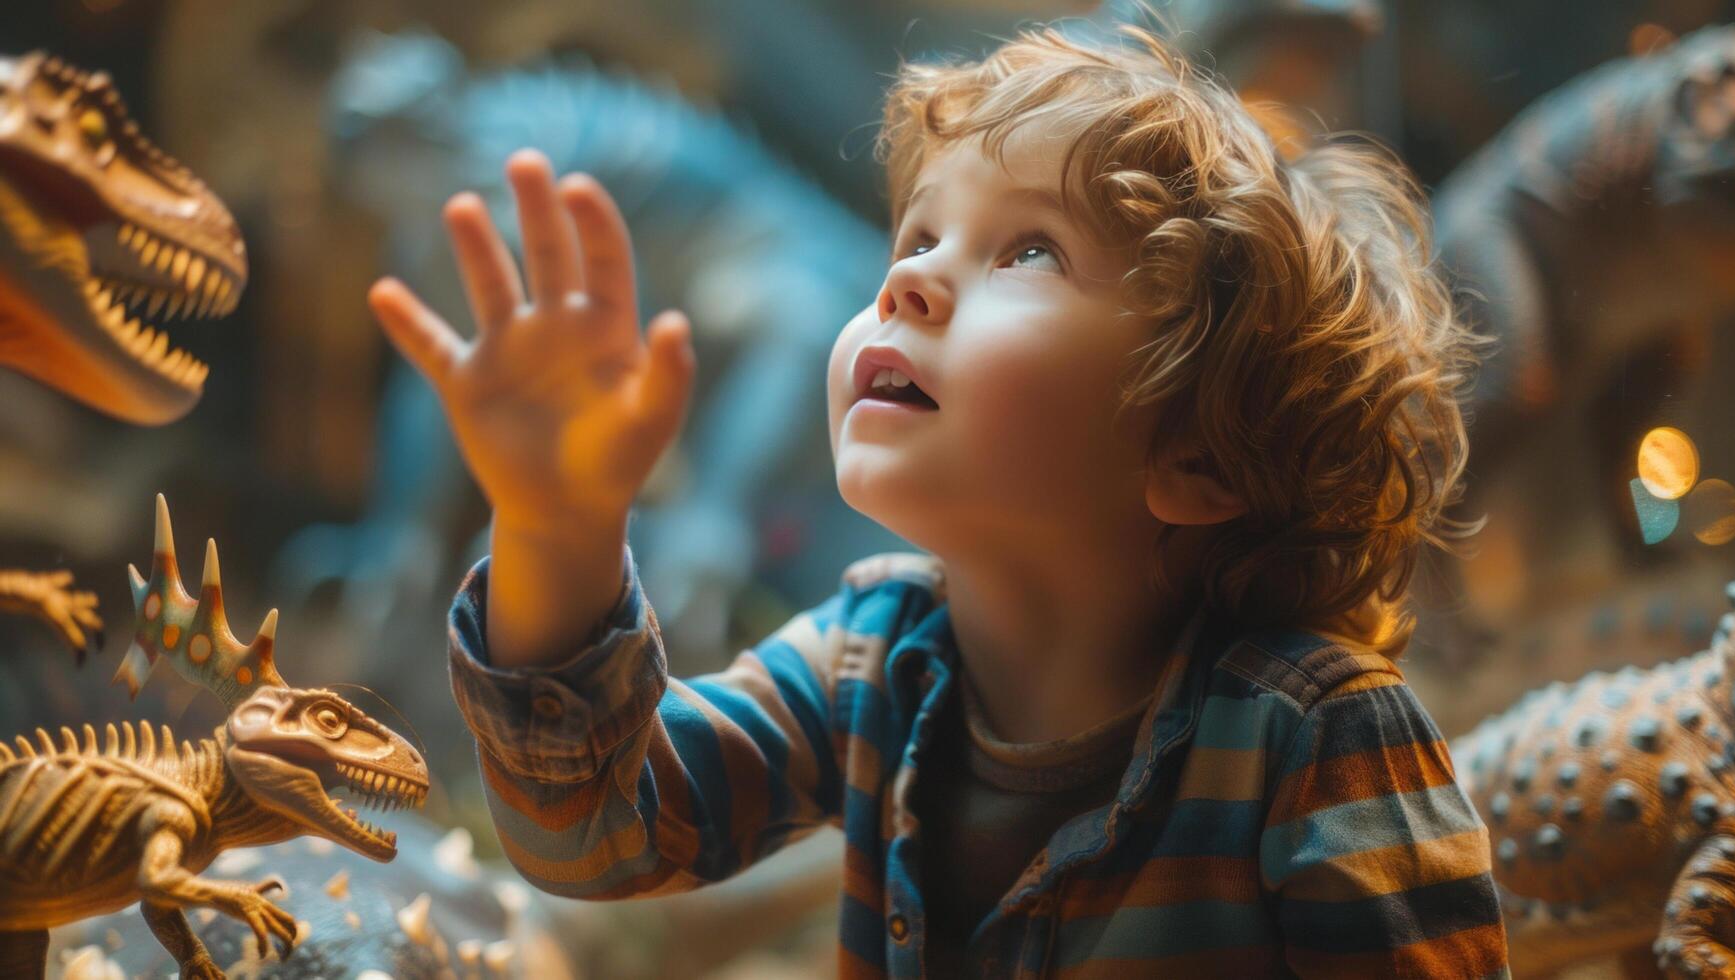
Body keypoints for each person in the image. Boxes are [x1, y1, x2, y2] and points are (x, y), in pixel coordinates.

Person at [368, 21, 1509, 978]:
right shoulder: (869, 658)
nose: (905, 276)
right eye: (918, 235)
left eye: (1029, 253)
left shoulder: (1319, 740)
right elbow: (596, 833)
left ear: (1201, 457)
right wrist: (557, 529)